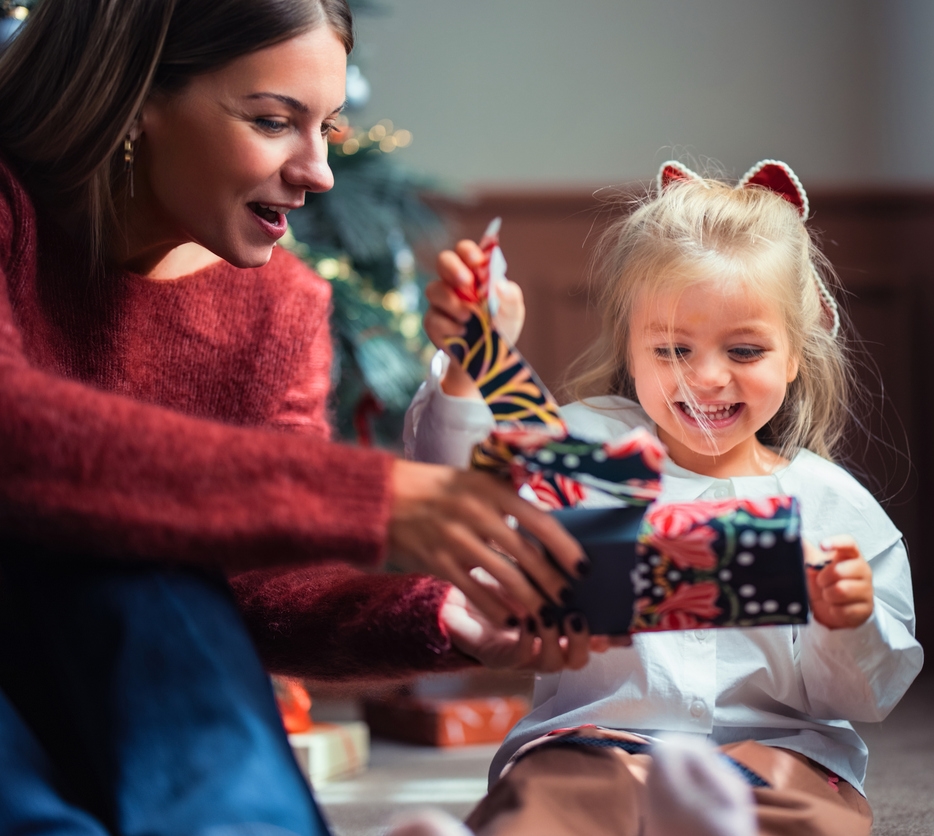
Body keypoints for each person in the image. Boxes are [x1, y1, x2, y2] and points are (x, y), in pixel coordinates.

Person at [0, 2, 600, 834]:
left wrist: (440, 614)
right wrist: (373, 498)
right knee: (120, 535)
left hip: (118, 698)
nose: (318, 172)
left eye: (327, 128)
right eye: (274, 121)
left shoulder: (281, 306)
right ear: (136, 96)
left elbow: (268, 585)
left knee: (149, 555)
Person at [407, 160, 925, 835]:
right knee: (549, 796)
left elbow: (867, 697)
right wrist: (471, 361)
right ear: (631, 345)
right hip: (597, 740)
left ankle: (699, 817)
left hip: (774, 750)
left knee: (816, 814)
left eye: (744, 351)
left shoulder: (831, 505)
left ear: (796, 353)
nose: (706, 378)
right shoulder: (588, 445)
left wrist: (848, 618)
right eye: (673, 350)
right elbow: (460, 494)